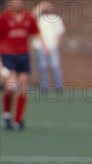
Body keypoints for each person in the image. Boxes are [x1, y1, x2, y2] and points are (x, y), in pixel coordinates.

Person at [0, 0, 40, 131]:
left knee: (23, 86)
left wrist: (39, 45)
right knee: (10, 86)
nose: (16, 4)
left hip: (23, 55)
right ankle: (7, 115)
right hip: (8, 55)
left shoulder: (28, 17)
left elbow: (35, 33)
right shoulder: (4, 17)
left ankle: (18, 120)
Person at [32, 1, 64, 91]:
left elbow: (60, 34)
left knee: (55, 66)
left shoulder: (57, 18)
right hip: (41, 47)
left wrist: (54, 46)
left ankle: (59, 86)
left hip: (53, 47)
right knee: (42, 67)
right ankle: (44, 86)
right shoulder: (39, 19)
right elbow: (31, 16)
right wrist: (41, 6)